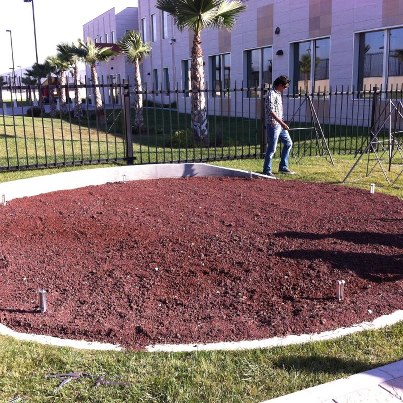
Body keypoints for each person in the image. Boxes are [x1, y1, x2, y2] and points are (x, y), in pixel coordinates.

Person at [262, 75, 295, 177]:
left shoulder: (278, 94)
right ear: (280, 85)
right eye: (285, 87)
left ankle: (283, 167)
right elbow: (271, 111)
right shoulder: (271, 94)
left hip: (279, 125)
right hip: (273, 125)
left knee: (288, 143)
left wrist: (282, 123)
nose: (285, 89)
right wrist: (282, 123)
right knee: (272, 148)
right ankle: (267, 170)